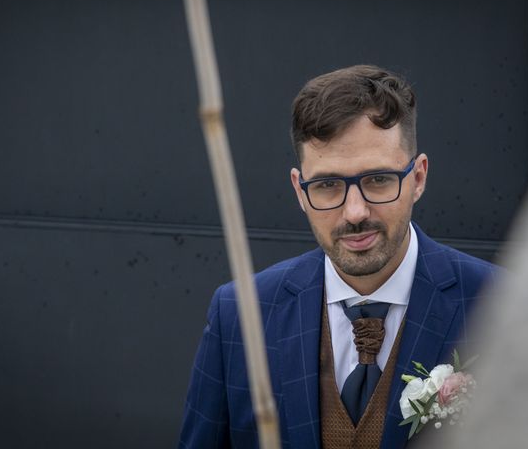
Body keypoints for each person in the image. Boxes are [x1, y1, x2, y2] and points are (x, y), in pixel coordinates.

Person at [179, 65, 496, 448]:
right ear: (299, 190)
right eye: (328, 185)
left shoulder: (501, 304)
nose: (355, 212)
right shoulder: (239, 315)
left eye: (378, 179)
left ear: (418, 177)